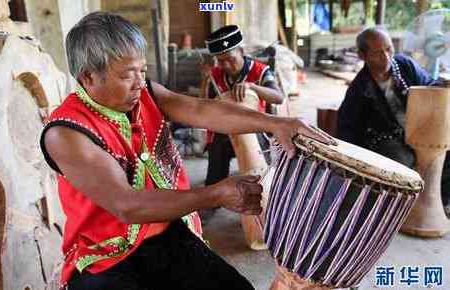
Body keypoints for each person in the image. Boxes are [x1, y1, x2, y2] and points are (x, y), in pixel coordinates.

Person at [40, 12, 332, 290]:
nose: (140, 82)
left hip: (168, 233)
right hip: (107, 258)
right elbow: (127, 205)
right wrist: (216, 193)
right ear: (89, 77)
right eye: (128, 74)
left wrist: (275, 123)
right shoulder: (65, 133)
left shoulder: (146, 94)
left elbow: (201, 109)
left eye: (143, 70)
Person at [337, 27, 450, 214]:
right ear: (362, 56)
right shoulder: (359, 89)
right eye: (377, 53)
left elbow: (428, 86)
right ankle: (400, 211)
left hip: (419, 129)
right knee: (399, 163)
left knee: (444, 151)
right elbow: (347, 129)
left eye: (389, 49)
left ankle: (441, 200)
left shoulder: (404, 65)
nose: (386, 56)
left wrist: (441, 84)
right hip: (385, 138)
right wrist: (351, 166)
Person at [202, 25, 284, 191]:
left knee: (259, 173)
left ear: (241, 52)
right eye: (221, 60)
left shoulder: (260, 71)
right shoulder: (216, 74)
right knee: (217, 145)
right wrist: (204, 80)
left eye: (231, 59)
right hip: (225, 130)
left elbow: (278, 97)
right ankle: (215, 192)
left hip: (255, 129)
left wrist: (252, 87)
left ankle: (265, 189)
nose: (226, 65)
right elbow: (203, 105)